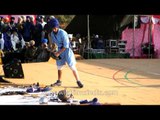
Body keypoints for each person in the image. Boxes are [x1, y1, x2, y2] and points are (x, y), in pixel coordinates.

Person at [49, 18, 83, 88]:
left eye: (55, 27)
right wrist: (52, 50)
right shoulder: (52, 34)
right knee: (59, 67)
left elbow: (65, 46)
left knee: (72, 66)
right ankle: (59, 81)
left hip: (67, 50)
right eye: (53, 28)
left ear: (57, 26)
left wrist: (58, 53)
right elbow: (53, 44)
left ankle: (78, 81)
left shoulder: (63, 33)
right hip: (59, 50)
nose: (54, 29)